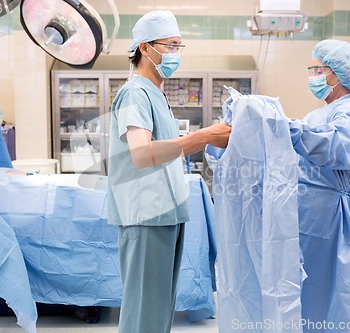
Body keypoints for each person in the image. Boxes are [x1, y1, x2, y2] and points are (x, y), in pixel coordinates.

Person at [106, 10, 231, 333]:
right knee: (144, 310)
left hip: (165, 213)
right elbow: (142, 154)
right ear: (145, 48)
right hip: (146, 214)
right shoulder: (135, 92)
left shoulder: (156, 94)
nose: (175, 53)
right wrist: (203, 137)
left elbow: (164, 147)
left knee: (159, 307)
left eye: (179, 46)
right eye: (170, 45)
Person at [287, 39, 350, 332]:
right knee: (309, 291)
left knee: (336, 291)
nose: (313, 75)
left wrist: (288, 128)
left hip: (331, 218)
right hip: (308, 216)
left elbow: (338, 149)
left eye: (319, 69)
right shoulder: (320, 112)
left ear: (338, 74)